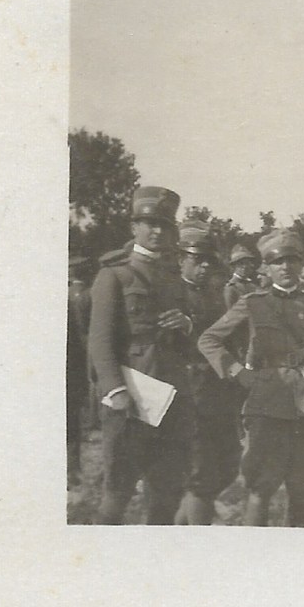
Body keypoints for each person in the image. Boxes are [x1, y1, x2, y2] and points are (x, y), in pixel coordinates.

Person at [198, 230, 304, 526]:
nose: (286, 267)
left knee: (301, 488)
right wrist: (238, 373)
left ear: (301, 265)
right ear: (267, 267)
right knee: (261, 486)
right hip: (267, 403)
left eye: (292, 261)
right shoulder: (253, 302)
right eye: (278, 262)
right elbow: (209, 340)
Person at [87, 186, 197, 525]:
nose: (157, 231)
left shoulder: (174, 279)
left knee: (165, 491)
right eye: (149, 223)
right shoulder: (114, 276)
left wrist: (187, 325)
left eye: (164, 224)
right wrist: (115, 391)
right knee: (118, 492)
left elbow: (190, 347)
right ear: (134, 227)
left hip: (172, 397)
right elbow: (100, 341)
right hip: (130, 398)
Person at [174, 223, 243, 524]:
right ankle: (196, 539)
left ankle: (182, 519)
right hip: (187, 396)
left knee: (229, 465)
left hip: (219, 394)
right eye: (195, 259)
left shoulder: (216, 295)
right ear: (180, 260)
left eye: (207, 261)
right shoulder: (169, 293)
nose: (203, 266)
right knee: (201, 475)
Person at [66, 255, 94, 487]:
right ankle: (72, 468)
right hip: (80, 354)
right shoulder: (85, 295)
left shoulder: (70, 295)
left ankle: (72, 467)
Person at [223, 243, 265, 309]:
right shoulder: (231, 288)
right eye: (241, 264)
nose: (245, 267)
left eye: (247, 263)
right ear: (234, 266)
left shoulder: (253, 283)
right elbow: (230, 311)